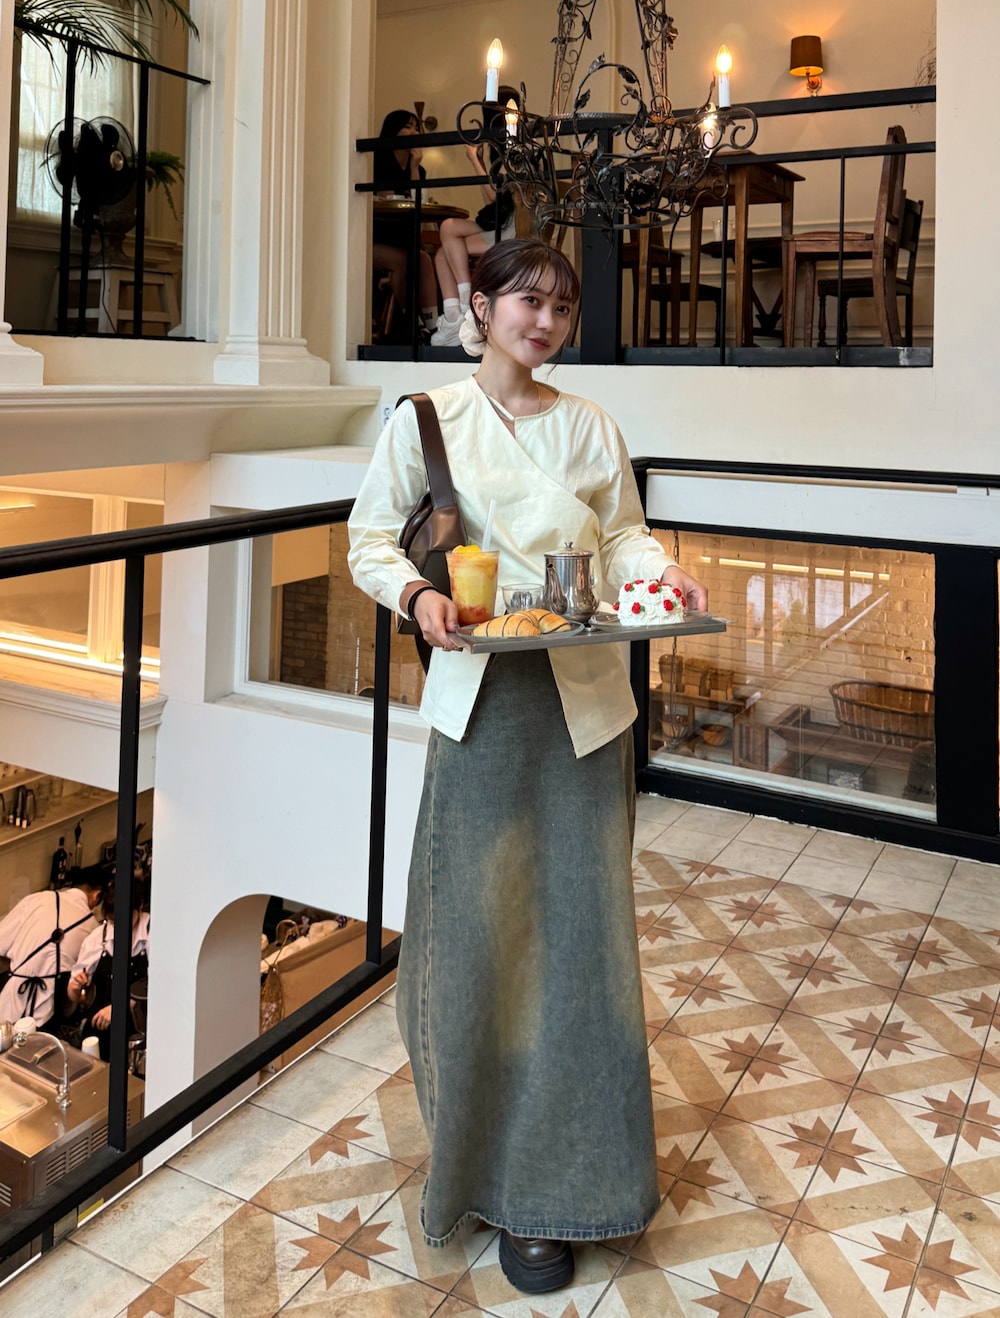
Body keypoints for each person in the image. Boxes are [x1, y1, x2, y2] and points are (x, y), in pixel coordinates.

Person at [348, 239, 708, 1295]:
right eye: (526, 301)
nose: (544, 322)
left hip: (586, 706)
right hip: (480, 707)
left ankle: (566, 1187)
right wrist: (419, 596)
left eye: (560, 307)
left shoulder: (590, 424)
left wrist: (665, 575)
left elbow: (625, 537)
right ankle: (482, 1173)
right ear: (481, 307)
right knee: (473, 942)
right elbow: (370, 541)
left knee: (581, 950)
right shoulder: (426, 419)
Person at [431, 88, 519, 347]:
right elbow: (492, 202)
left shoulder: (513, 149)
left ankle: (466, 305)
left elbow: (493, 196)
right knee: (443, 247)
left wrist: (474, 161)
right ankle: (453, 319)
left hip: (513, 229)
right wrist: (479, 160)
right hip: (503, 222)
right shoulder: (505, 149)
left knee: (447, 234)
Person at [0, 863, 108, 1028]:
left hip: (9, 1005)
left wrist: (22, 965)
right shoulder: (95, 929)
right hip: (48, 1012)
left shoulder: (36, 900)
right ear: (97, 896)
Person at [62, 870, 149, 1061]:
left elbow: (164, 986)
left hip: (141, 1032)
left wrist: (121, 1007)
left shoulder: (153, 933)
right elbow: (74, 997)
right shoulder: (97, 939)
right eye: (112, 921)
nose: (118, 928)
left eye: (125, 920)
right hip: (102, 1033)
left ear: (140, 906)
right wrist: (76, 989)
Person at [371, 108, 440, 337]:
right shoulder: (378, 161)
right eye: (407, 126)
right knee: (403, 261)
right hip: (375, 239)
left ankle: (432, 327)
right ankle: (411, 324)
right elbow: (385, 198)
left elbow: (418, 200)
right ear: (393, 131)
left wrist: (413, 168)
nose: (414, 132)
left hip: (402, 238)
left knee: (424, 260)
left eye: (416, 127)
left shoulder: (417, 168)